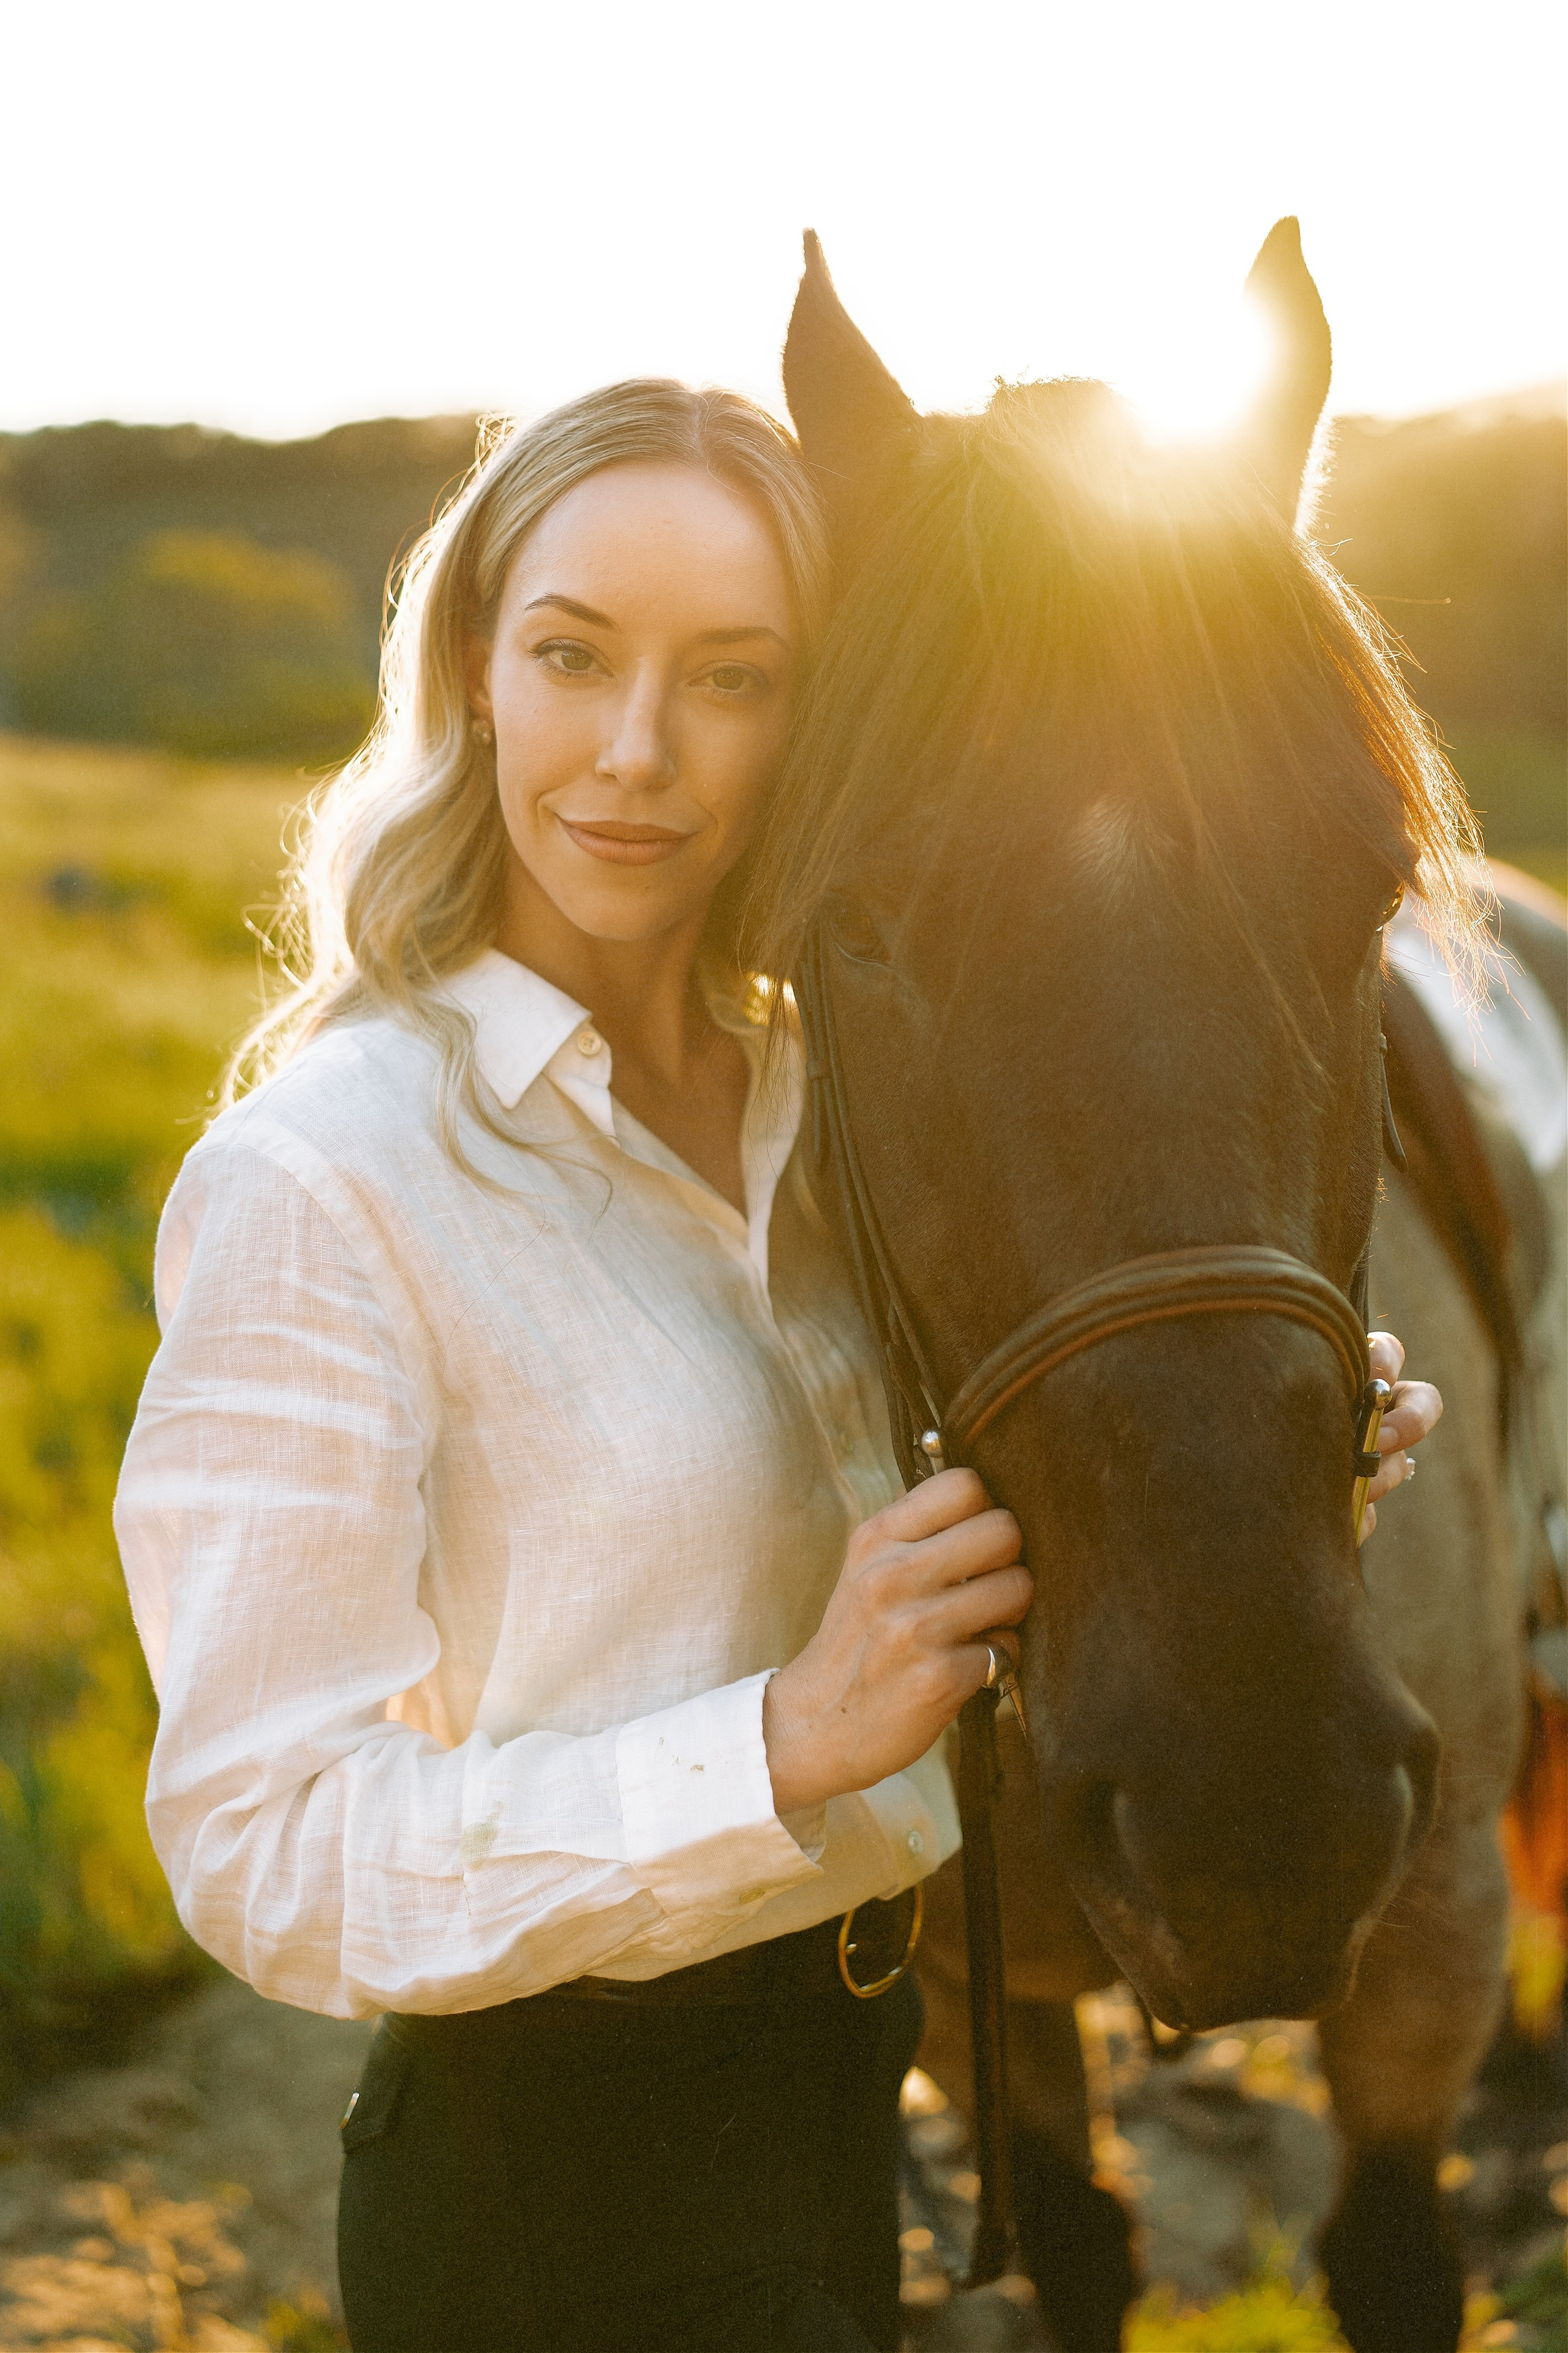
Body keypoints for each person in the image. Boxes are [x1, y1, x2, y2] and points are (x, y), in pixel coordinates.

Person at [113, 379, 1436, 2353]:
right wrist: (782, 1740)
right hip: (551, 2211)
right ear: (478, 667)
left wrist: (1240, 1439)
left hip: (841, 2119)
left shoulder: (838, 1112)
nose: (638, 754)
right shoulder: (331, 1172)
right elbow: (259, 1843)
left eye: (734, 677)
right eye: (574, 655)